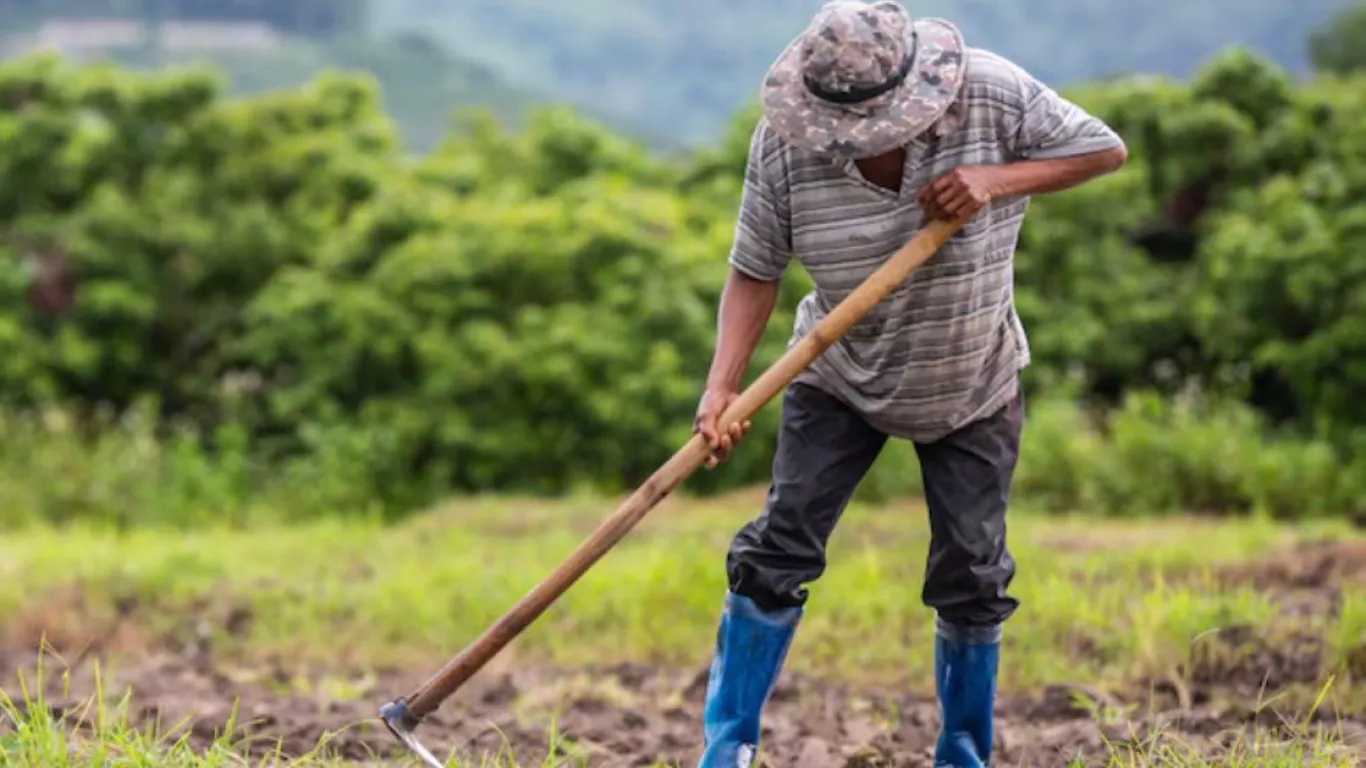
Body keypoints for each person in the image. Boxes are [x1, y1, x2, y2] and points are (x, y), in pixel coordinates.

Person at [690, 1, 1128, 766]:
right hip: (837, 373)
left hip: (971, 376)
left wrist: (997, 179)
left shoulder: (989, 92)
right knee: (777, 550)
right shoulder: (786, 147)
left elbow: (1103, 151)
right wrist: (721, 390)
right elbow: (754, 269)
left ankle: (963, 753)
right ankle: (727, 750)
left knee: (972, 570)